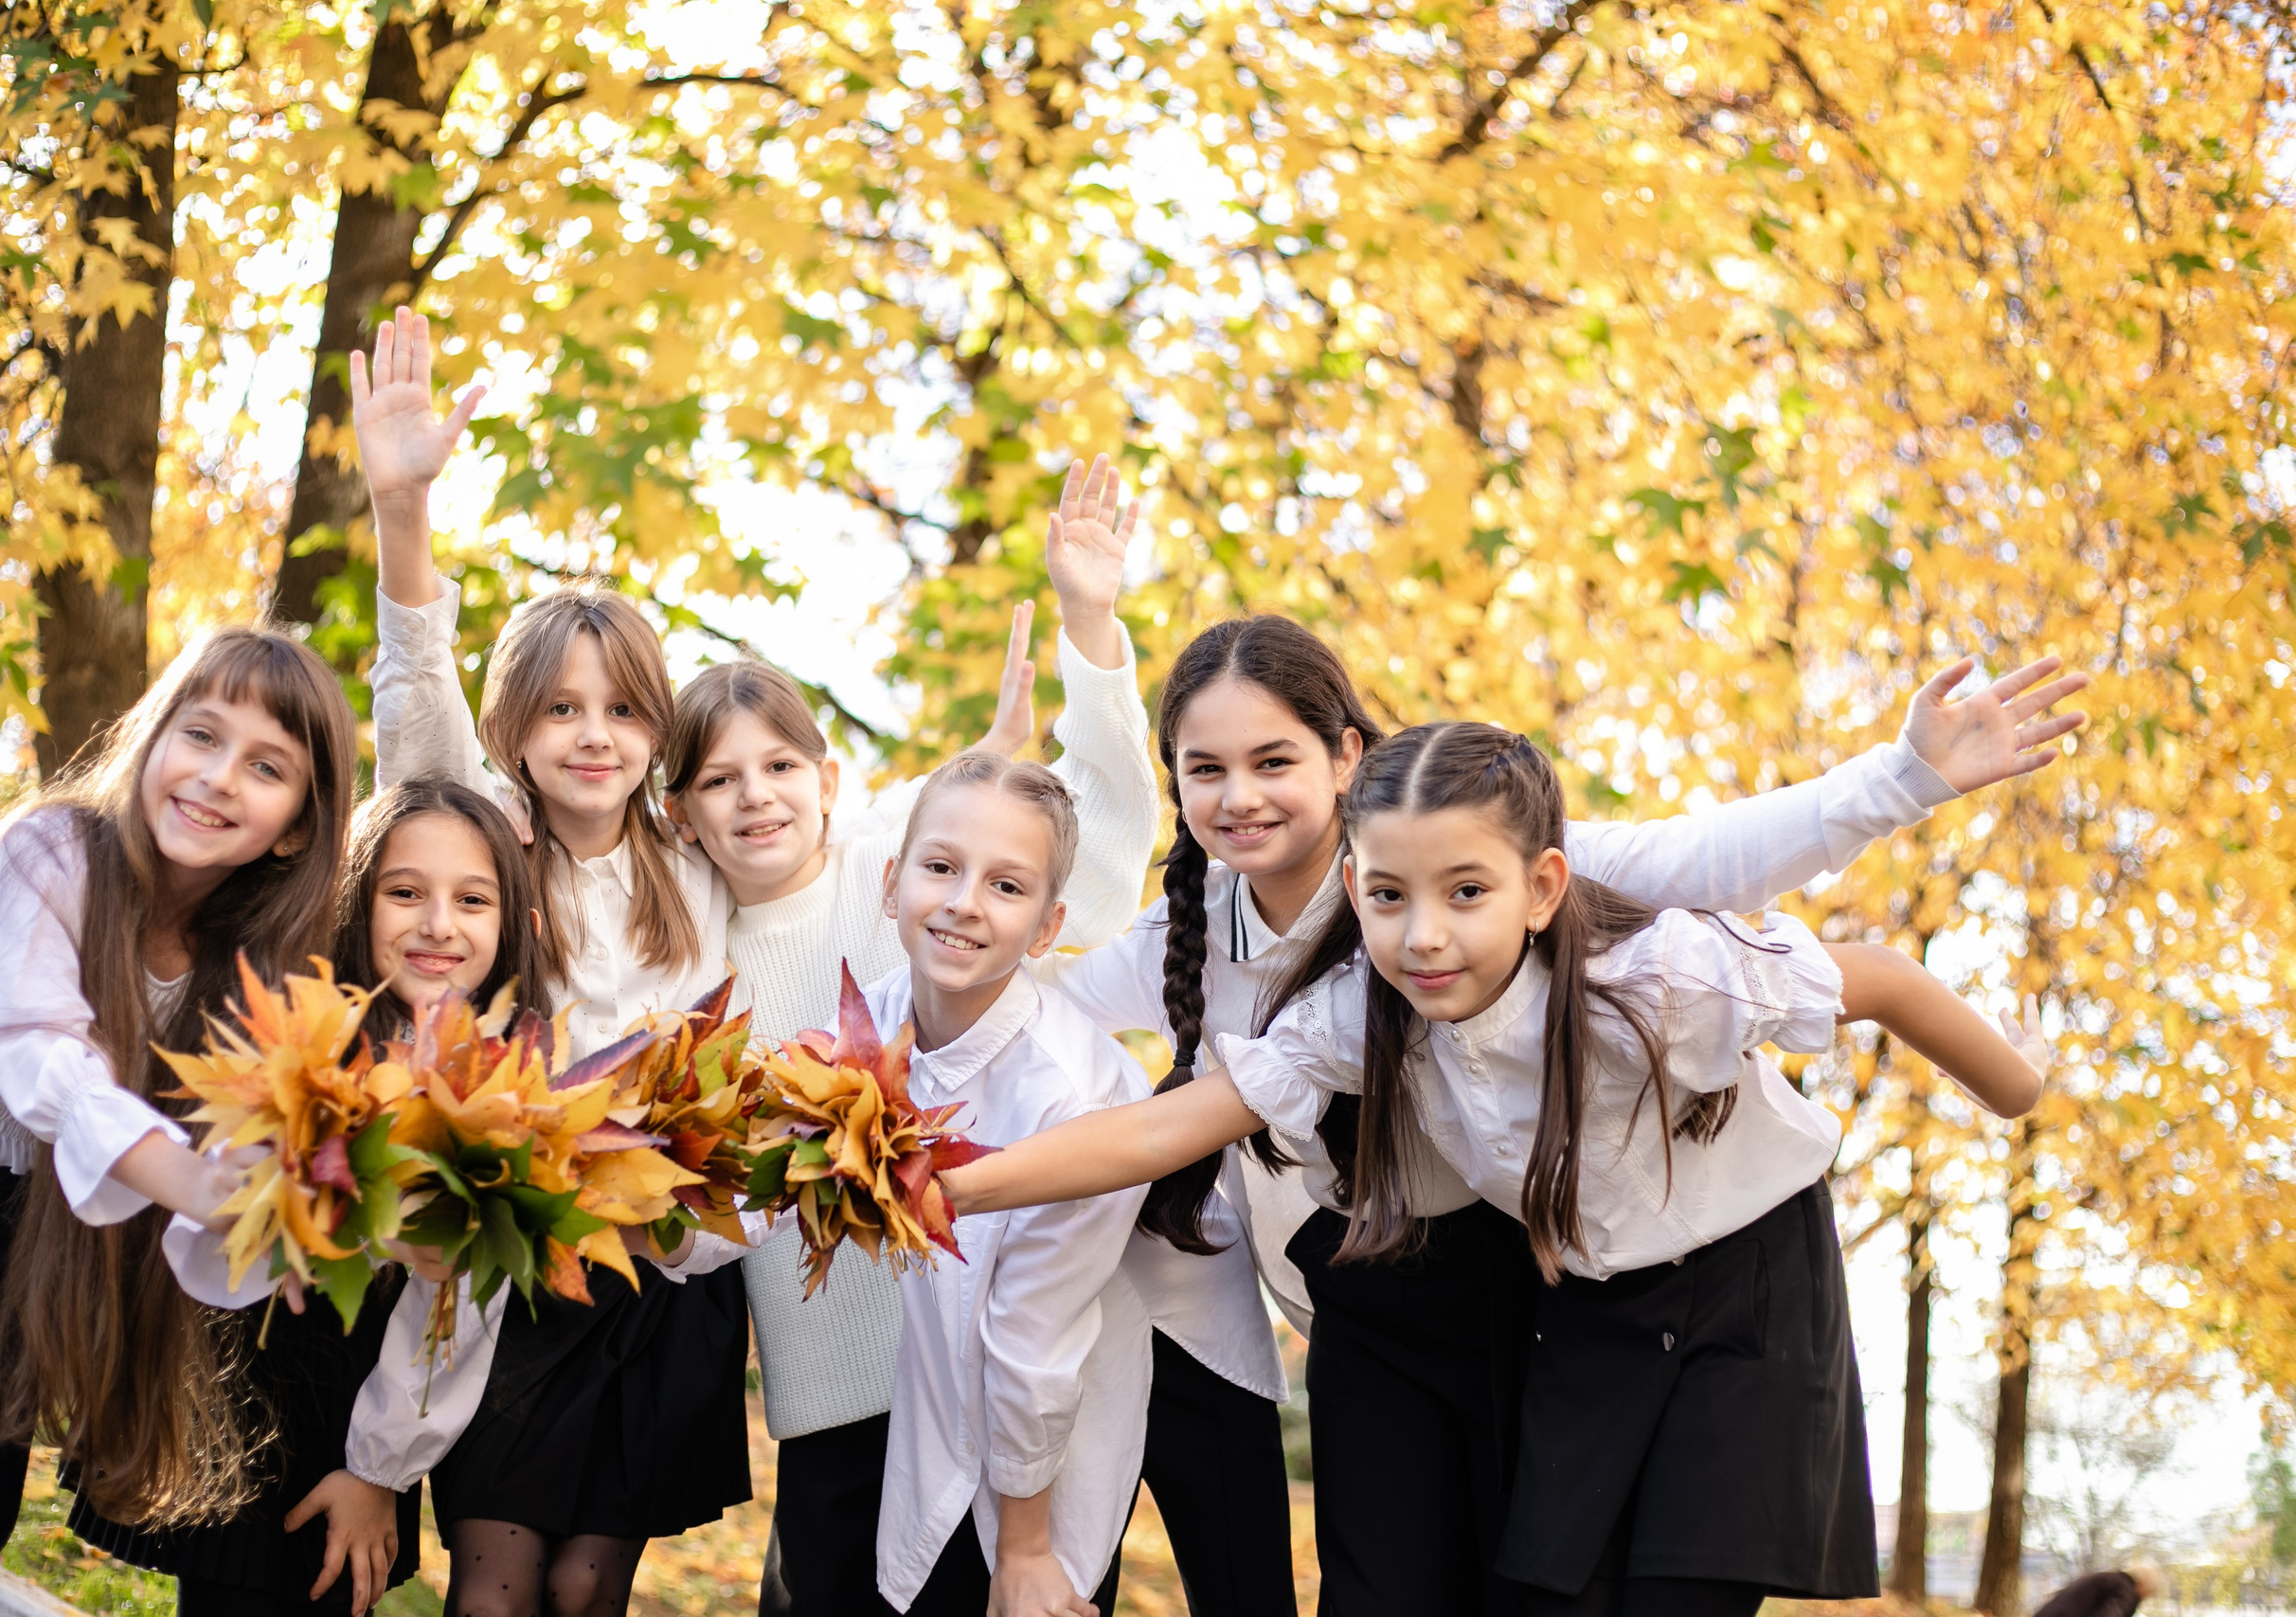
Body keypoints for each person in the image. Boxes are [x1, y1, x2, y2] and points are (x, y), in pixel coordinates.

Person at [1031, 614, 2089, 1615]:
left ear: (1343, 757)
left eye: (1273, 761)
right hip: (1400, 1273)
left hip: (1532, 1263)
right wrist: (920, 1130)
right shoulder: (1222, 937)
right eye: (1203, 769)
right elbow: (1065, 1043)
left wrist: (1904, 778)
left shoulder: (1502, 858)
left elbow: (1721, 857)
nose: (1239, 797)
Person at [660, 458, 1157, 1617]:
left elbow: (1088, 837)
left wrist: (1088, 628)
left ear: (831, 785)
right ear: (678, 811)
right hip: (820, 1377)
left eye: (780, 766)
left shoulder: (884, 877)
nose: (756, 796)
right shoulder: (682, 938)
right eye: (719, 779)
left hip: (960, 1360)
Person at [353, 310, 739, 1616]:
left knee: (589, 1586)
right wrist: (403, 511)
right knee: (502, 1584)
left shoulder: (698, 864)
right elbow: (415, 695)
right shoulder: (489, 836)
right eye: (560, 706)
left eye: (625, 709)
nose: (593, 734)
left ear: (659, 730)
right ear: (512, 722)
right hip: (519, 1252)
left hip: (660, 1266)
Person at [0, 627, 358, 1617]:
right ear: (154, 736)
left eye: (266, 768)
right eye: (202, 736)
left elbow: (243, 1164)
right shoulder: (48, 848)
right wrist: (196, 1183)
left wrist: (295, 1217)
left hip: (14, 1238)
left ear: (298, 826)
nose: (219, 779)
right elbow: (45, 1059)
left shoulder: (250, 973)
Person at [66, 777, 547, 1616]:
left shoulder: (503, 1090)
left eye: (472, 899)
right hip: (245, 1378)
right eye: (405, 892)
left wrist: (377, 1469)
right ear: (357, 899)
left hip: (354, 1420)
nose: (438, 923)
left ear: (509, 927)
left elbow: (462, 1314)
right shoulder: (298, 1031)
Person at [862, 750, 1156, 1616]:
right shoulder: (860, 1030)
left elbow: (1033, 1336)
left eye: (1006, 884)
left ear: (1046, 925)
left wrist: (1025, 1547)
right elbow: (764, 1194)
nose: (963, 902)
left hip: (1053, 1433)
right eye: (942, 867)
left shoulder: (1074, 1090)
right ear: (891, 883)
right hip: (932, 1400)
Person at [2032, 1567, 2165, 1617]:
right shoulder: (2126, 1590)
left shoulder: (2110, 1579)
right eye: (2148, 1592)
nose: (2145, 1597)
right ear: (2142, 1584)